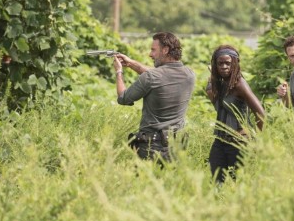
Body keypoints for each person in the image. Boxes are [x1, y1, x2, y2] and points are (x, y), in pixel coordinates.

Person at [113, 32, 196, 161]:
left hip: (151, 148)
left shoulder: (151, 77)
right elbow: (160, 75)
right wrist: (131, 63)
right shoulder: (190, 74)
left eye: (153, 50)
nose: (150, 54)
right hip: (177, 147)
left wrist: (119, 71)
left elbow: (123, 98)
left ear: (165, 50)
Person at [205, 45, 265, 183]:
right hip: (220, 140)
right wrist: (213, 77)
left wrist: (255, 137)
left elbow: (261, 114)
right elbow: (217, 104)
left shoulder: (239, 84)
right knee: (217, 181)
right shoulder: (221, 83)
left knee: (239, 183)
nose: (224, 67)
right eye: (220, 63)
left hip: (238, 142)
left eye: (228, 63)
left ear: (235, 64)